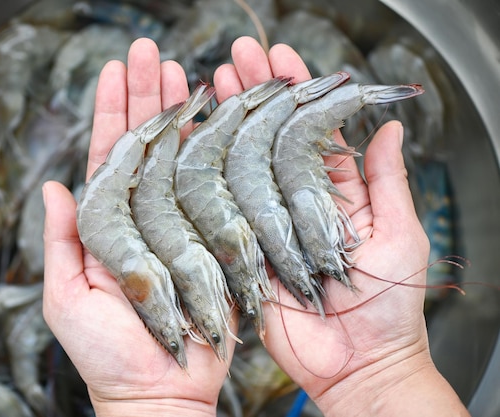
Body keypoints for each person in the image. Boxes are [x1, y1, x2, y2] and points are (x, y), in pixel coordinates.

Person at [42, 36, 470, 416]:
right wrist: (385, 371)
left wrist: (147, 405)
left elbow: (221, 248)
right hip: (200, 172)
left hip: (229, 159)